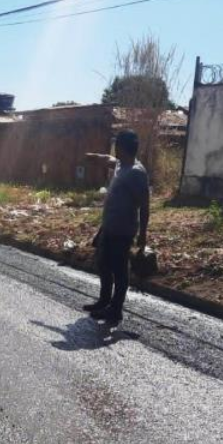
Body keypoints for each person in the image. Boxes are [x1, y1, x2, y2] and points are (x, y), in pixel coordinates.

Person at [84, 129, 150, 325]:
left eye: (116, 146)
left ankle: (115, 310)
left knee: (119, 270)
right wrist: (94, 157)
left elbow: (145, 205)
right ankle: (104, 301)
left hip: (123, 230)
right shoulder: (122, 165)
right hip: (109, 225)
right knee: (103, 264)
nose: (114, 149)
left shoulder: (137, 173)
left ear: (122, 148)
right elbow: (108, 159)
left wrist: (143, 233)